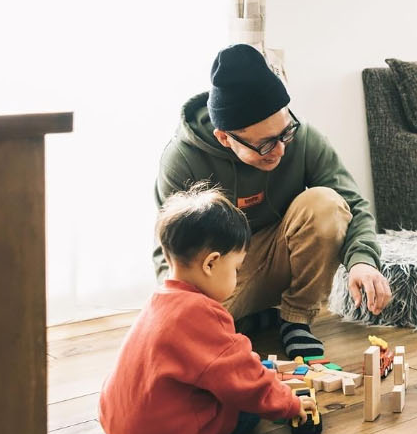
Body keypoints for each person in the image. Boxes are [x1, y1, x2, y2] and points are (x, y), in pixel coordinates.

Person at [154, 44, 392, 359]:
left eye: (284, 134)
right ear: (225, 137)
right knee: (184, 342)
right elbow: (171, 253)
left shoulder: (303, 137)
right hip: (220, 273)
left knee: (326, 203)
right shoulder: (182, 159)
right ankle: (249, 319)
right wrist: (175, 314)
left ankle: (295, 320)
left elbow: (353, 205)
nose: (279, 150)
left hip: (281, 254)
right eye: (265, 144)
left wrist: (362, 260)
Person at [100, 185, 315, 434]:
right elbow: (244, 382)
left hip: (115, 423)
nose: (237, 277)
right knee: (247, 406)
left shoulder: (159, 299)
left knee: (239, 367)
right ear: (211, 264)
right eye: (237, 268)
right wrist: (290, 404)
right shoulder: (202, 313)